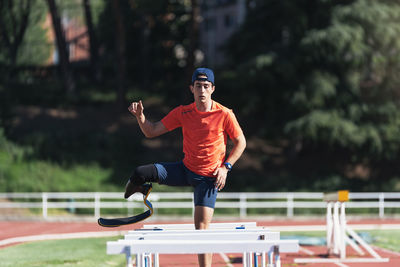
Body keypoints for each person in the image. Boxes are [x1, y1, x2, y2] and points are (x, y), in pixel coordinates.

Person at [125, 67, 246, 267]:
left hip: (209, 178)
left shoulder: (225, 114)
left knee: (201, 230)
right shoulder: (183, 112)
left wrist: (226, 167)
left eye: (206, 86)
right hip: (184, 170)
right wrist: (140, 117)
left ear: (213, 89)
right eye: (198, 86)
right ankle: (141, 188)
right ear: (192, 88)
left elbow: (241, 142)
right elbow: (152, 131)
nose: (202, 90)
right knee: (140, 172)